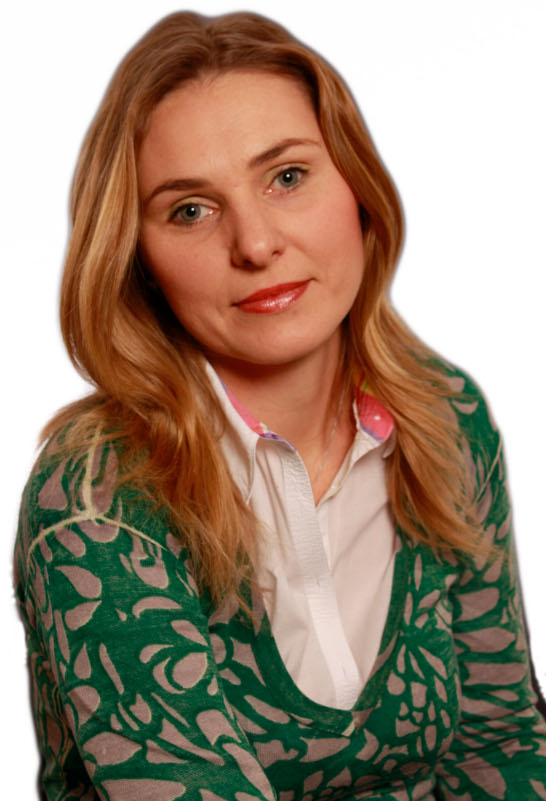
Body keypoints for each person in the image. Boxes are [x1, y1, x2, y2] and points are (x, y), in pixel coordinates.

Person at [13, 10, 546, 800]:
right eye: (191, 209)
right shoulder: (97, 496)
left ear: (359, 189)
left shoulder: (446, 419)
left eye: (288, 177)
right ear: (138, 258)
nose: (256, 243)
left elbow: (502, 746)